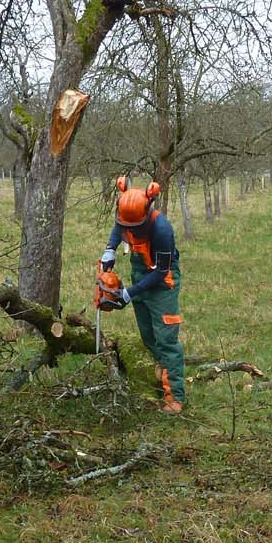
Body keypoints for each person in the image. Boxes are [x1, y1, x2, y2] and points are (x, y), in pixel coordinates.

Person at [100, 176, 185, 414]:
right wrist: (110, 249)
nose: (130, 231)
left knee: (166, 338)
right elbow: (119, 227)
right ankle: (162, 365)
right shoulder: (126, 218)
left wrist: (129, 293)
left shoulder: (162, 230)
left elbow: (161, 272)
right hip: (139, 274)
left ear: (146, 215)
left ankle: (175, 396)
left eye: (134, 228)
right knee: (148, 335)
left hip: (161, 283)